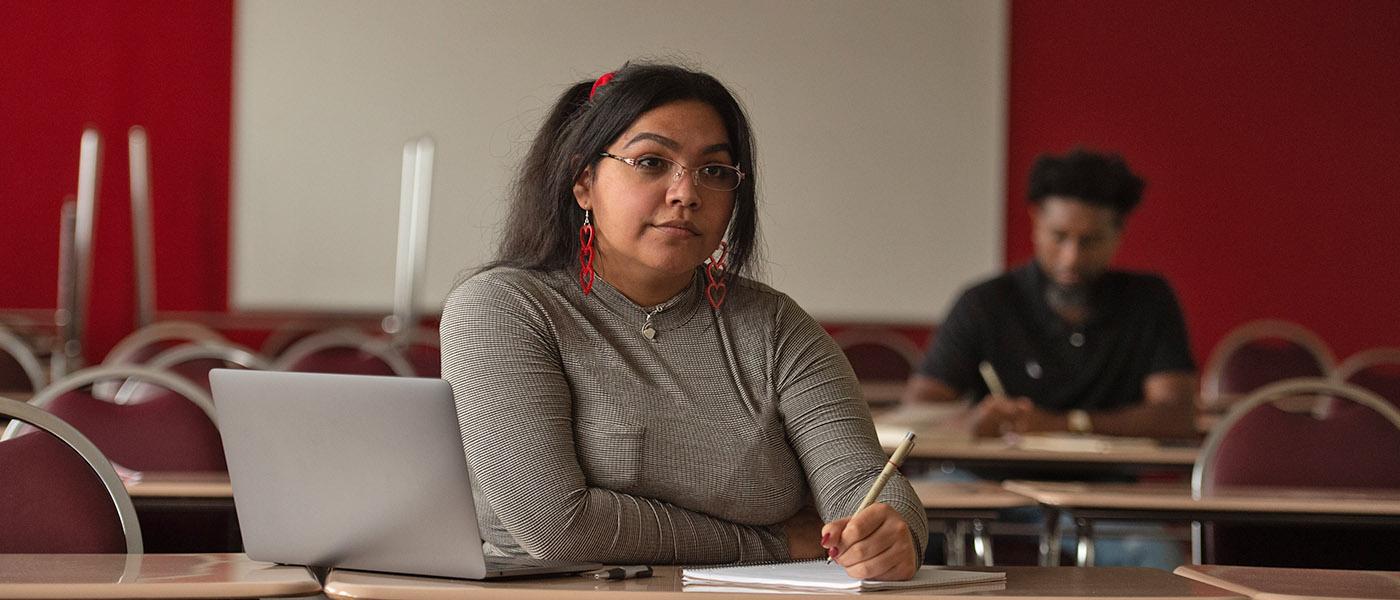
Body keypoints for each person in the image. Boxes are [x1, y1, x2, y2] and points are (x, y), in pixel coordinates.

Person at [440, 62, 927, 580]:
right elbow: (555, 528)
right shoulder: (502, 308)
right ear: (584, 181)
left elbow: (859, 480)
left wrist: (893, 530)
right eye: (651, 162)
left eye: (714, 171)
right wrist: (777, 543)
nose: (686, 193)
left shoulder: (777, 325)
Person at [903, 148, 1197, 440]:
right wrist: (971, 422)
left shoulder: (1149, 300)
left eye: (1090, 241)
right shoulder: (983, 302)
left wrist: (1064, 424)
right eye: (1059, 237)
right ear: (1035, 222)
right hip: (988, 477)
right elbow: (918, 409)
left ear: (1118, 233)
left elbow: (1177, 415)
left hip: (1107, 481)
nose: (1071, 258)